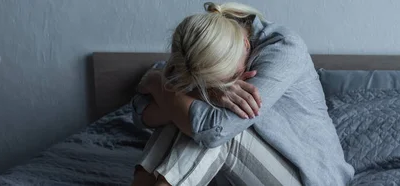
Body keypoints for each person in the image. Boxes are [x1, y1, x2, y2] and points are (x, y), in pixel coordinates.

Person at [131, 2, 354, 186]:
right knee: (182, 117)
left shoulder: (284, 50)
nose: (226, 86)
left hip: (310, 178)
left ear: (246, 45)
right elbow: (142, 114)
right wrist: (202, 93)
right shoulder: (200, 51)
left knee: (217, 131)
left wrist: (156, 81)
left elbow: (216, 131)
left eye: (227, 78)